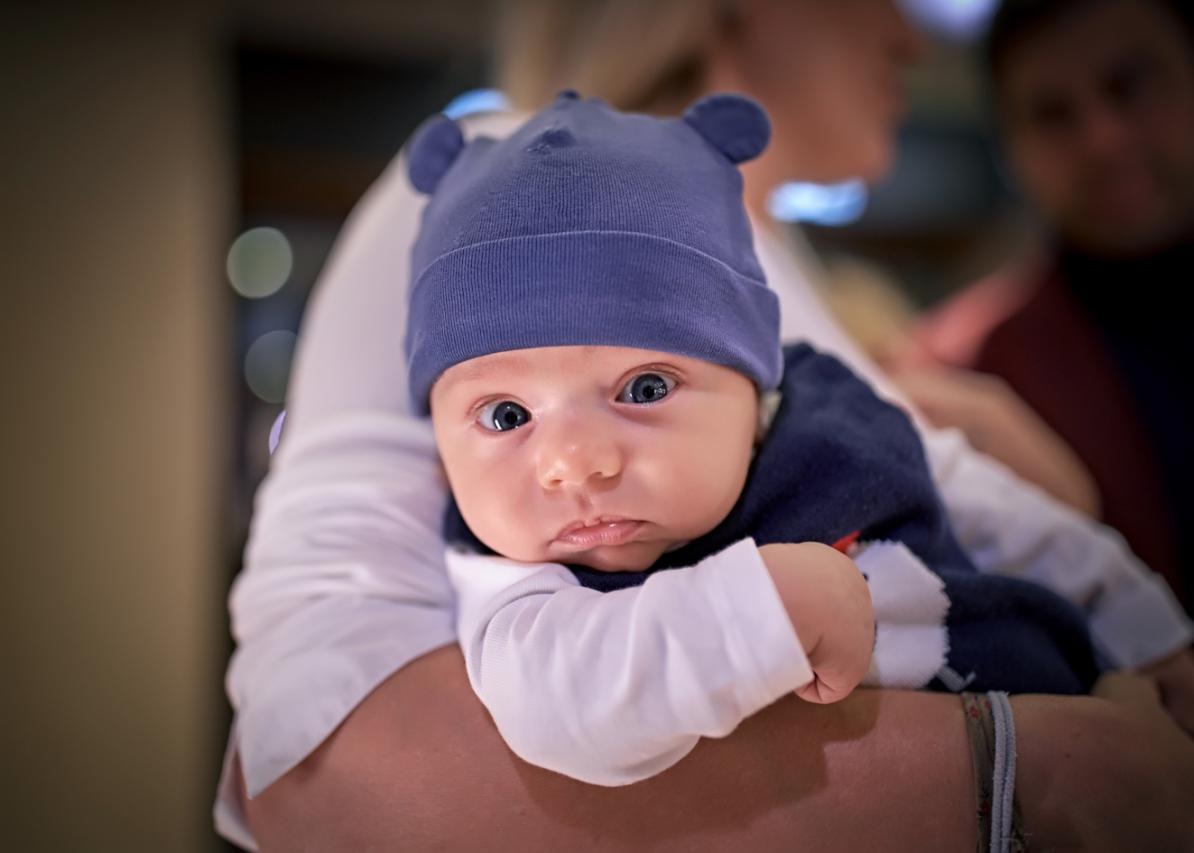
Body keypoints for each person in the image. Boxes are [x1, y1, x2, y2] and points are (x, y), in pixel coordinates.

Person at [216, 1, 1194, 850]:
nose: (910, 32)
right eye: (508, 415)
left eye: (646, 386)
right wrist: (1033, 772)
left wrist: (1133, 617)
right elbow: (315, 763)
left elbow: (949, 490)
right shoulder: (506, 196)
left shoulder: (779, 269)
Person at [405, 90, 1175, 794]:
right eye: (505, 415)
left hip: (1081, 698)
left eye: (644, 389)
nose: (575, 463)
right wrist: (760, 613)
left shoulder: (836, 415)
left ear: (753, 385)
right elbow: (556, 706)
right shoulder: (513, 579)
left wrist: (1153, 638)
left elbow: (1011, 519)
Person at [905, 0, 1194, 609]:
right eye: (1051, 114)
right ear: (1009, 147)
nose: (1102, 139)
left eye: (1130, 86)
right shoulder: (955, 373)